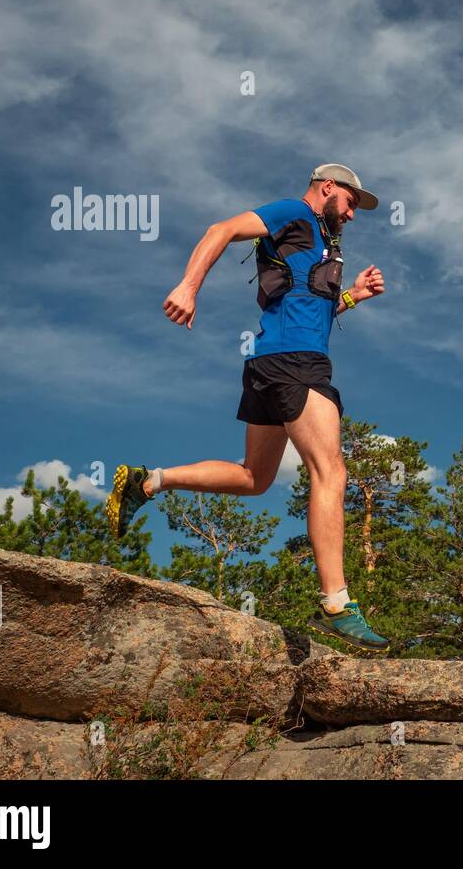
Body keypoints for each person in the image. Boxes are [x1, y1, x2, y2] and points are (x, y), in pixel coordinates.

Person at [104, 163, 389, 650]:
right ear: (327, 188)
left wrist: (354, 296)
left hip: (271, 362)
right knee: (331, 471)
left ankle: (149, 481)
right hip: (295, 363)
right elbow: (222, 229)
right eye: (351, 203)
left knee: (255, 478)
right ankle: (337, 604)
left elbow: (309, 305)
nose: (353, 215)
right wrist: (188, 287)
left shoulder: (316, 239)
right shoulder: (294, 212)